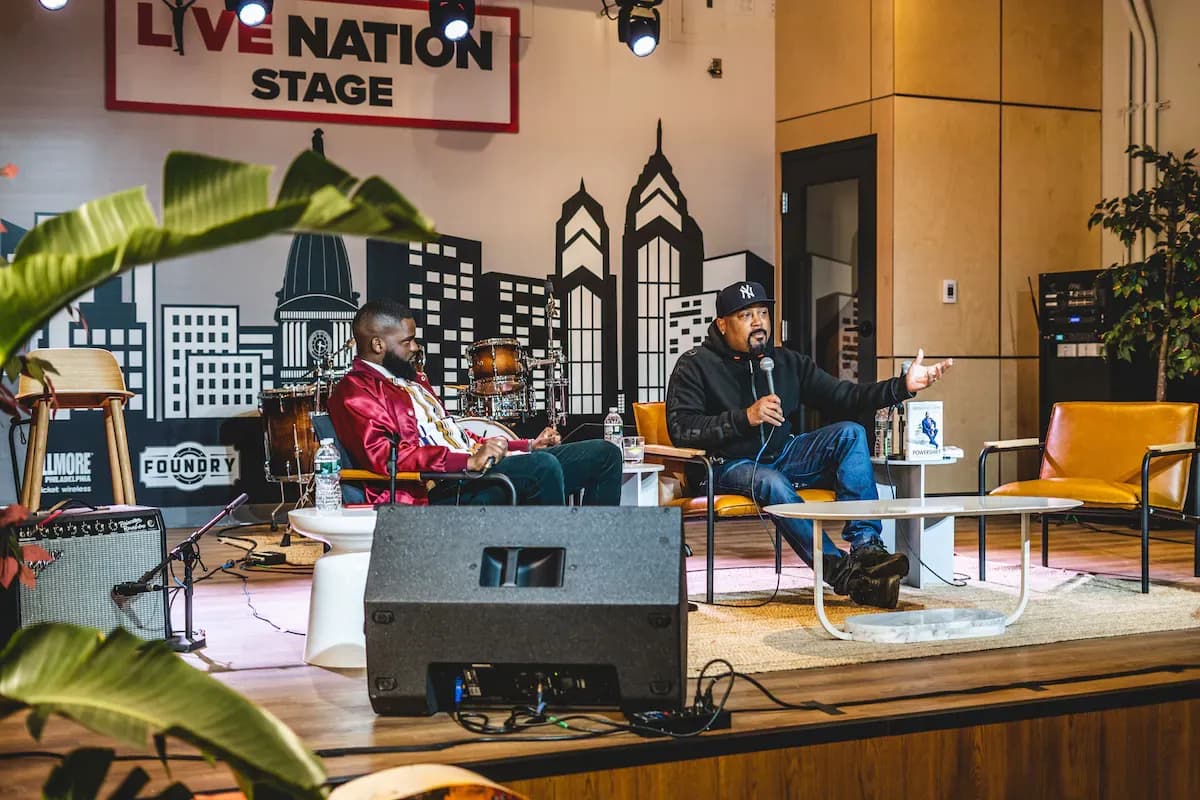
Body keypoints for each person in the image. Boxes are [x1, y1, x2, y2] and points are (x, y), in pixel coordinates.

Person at [666, 281, 952, 608]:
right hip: (726, 465)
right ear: (722, 324)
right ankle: (841, 571)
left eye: (763, 312)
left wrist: (902, 386)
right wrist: (745, 417)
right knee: (773, 482)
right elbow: (682, 429)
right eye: (746, 315)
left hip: (783, 453)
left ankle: (867, 546)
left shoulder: (786, 362)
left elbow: (845, 397)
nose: (759, 321)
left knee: (850, 433)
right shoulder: (695, 365)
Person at [327, 300, 622, 507]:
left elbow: (459, 436)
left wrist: (527, 446)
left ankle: (590, 553)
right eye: (408, 341)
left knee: (604, 454)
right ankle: (549, 571)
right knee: (542, 469)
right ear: (378, 344)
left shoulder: (415, 381)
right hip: (442, 488)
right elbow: (389, 458)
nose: (415, 348)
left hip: (470, 472)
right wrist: (466, 461)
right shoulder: (354, 393)